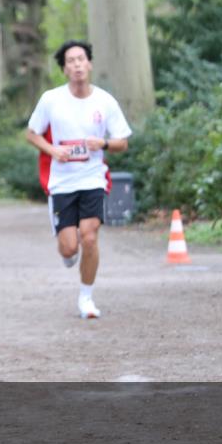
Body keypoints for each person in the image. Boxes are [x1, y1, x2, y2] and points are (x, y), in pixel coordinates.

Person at [25, 39, 131, 319]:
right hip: (62, 183)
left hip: (93, 179)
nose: (77, 65)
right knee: (70, 246)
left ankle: (86, 298)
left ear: (90, 64)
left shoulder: (105, 101)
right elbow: (32, 133)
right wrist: (53, 150)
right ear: (65, 69)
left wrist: (104, 144)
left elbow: (122, 142)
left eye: (81, 59)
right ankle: (67, 250)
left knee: (90, 237)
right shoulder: (51, 99)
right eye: (71, 61)